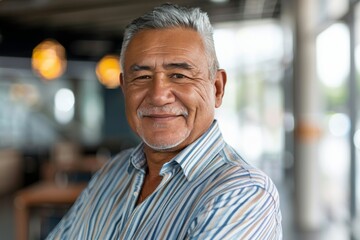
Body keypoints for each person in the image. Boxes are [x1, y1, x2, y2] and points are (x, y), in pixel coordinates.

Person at [47, 3, 282, 239]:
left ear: (217, 88)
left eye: (179, 76)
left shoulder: (243, 194)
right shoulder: (112, 172)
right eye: (142, 77)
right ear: (124, 89)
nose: (158, 95)